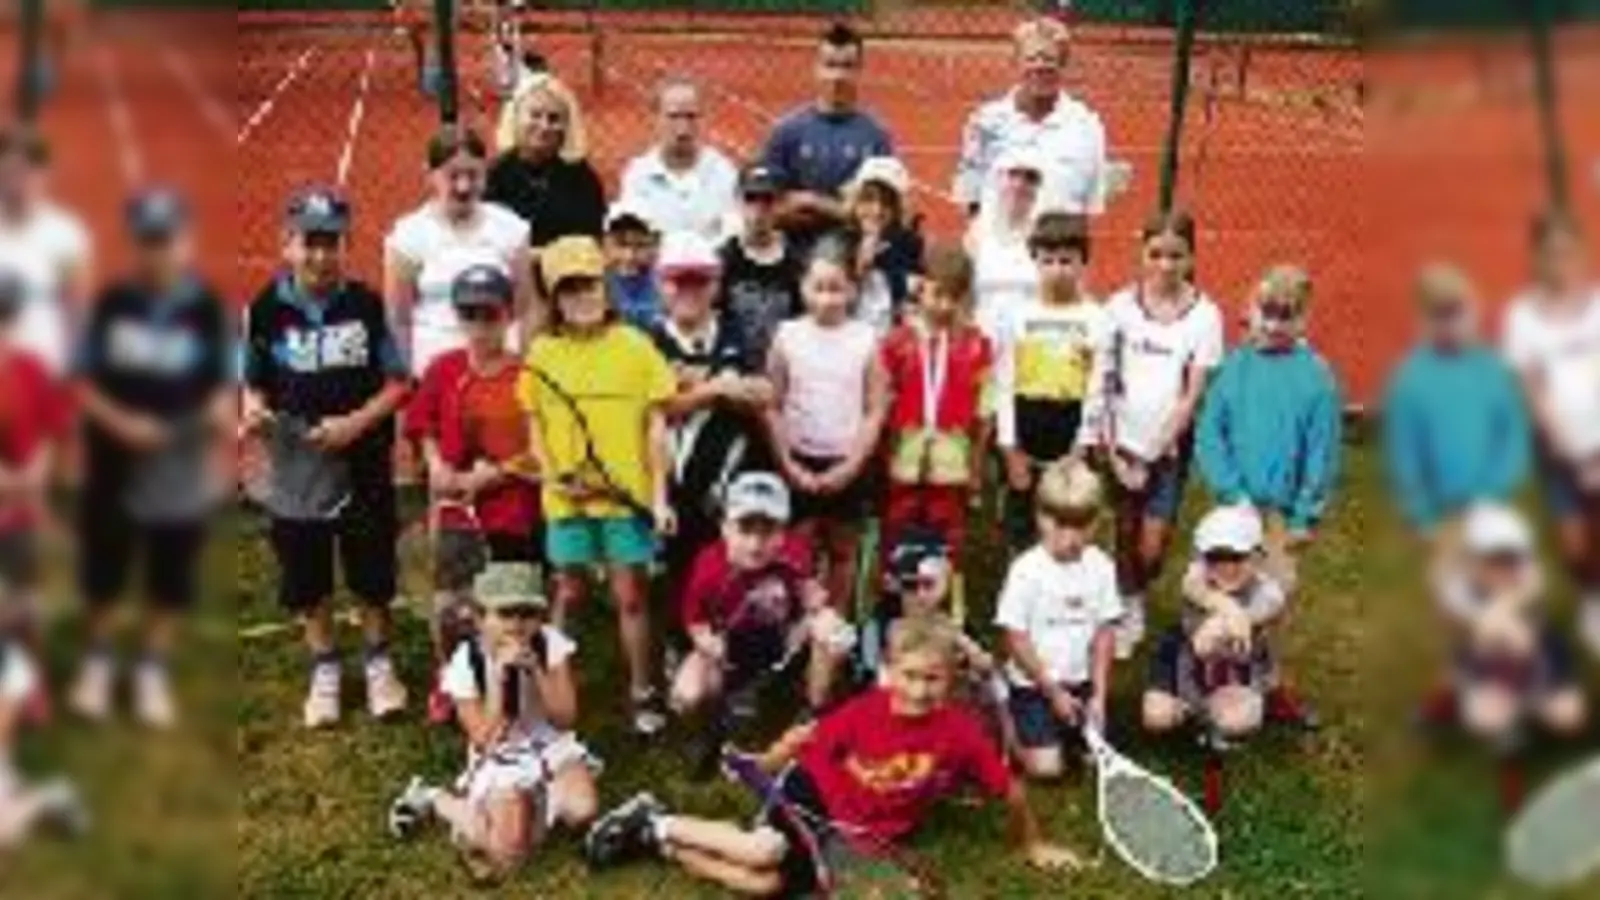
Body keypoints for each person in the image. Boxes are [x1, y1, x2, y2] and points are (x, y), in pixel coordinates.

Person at [584, 618, 1080, 896]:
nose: (919, 690)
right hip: (815, 797)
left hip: (854, 833)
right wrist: (774, 770)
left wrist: (1033, 844)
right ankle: (659, 819)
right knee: (763, 852)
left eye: (933, 679)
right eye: (909, 676)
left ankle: (657, 842)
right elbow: (807, 755)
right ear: (889, 672)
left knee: (767, 887)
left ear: (951, 680)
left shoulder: (959, 733)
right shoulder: (862, 713)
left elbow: (1010, 790)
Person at [242, 187, 412, 729]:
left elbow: (398, 384)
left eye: (331, 243)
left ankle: (379, 662)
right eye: (309, 242)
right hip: (296, 468)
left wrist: (355, 425)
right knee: (306, 571)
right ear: (287, 244)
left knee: (372, 567)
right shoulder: (265, 311)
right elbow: (253, 383)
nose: (320, 255)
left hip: (364, 461)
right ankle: (325, 667)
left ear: (346, 245)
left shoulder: (365, 305)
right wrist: (254, 411)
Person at [68, 189, 231, 729]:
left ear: (184, 241)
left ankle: (151, 668)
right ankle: (97, 661)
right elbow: (81, 381)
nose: (156, 251)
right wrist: (122, 424)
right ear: (135, 244)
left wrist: (209, 424)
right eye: (147, 240)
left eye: (165, 239)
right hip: (113, 465)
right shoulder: (111, 304)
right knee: (104, 571)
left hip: (179, 467)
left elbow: (221, 388)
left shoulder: (207, 312)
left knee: (170, 576)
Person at [516, 236, 676, 736]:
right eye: (569, 289)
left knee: (631, 596)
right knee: (568, 591)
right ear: (554, 299)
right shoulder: (542, 353)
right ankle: (550, 691)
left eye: (589, 284)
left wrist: (659, 498)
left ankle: (643, 692)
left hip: (625, 501)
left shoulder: (636, 347)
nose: (581, 296)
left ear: (605, 288)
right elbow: (535, 426)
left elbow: (655, 428)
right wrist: (553, 475)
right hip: (567, 503)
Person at [388, 563, 598, 883]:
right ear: (480, 617)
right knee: (508, 854)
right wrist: (498, 680)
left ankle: (540, 799)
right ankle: (434, 799)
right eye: (505, 613)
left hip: (547, 743)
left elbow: (565, 718)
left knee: (583, 812)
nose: (516, 624)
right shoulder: (466, 661)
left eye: (527, 613)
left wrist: (537, 673)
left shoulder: (549, 644)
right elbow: (483, 738)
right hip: (500, 753)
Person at [404, 265, 543, 726]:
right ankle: (451, 676)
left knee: (509, 607)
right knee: (450, 606)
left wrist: (491, 477)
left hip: (513, 514)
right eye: (470, 314)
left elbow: (539, 455)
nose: (480, 326)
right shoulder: (443, 368)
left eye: (490, 314)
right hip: (455, 515)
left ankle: (512, 678)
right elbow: (421, 424)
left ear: (508, 316)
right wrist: (436, 465)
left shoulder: (527, 376)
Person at [1088, 209, 1224, 660]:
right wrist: (1113, 451)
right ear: (1142, 253)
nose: (1165, 265)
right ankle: (1127, 606)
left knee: (1152, 547)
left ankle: (1134, 586)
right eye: (1156, 254)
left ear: (1192, 257)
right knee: (1125, 531)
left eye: (1176, 256)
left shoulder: (1205, 317)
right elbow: (1104, 382)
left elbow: (1192, 394)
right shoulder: (1119, 309)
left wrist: (1154, 451)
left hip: (1167, 450)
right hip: (1121, 445)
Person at [670, 473, 854, 768]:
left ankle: (814, 712)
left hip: (782, 639)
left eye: (767, 531)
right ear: (725, 528)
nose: (755, 544)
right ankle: (711, 728)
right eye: (744, 530)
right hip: (730, 645)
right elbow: (695, 621)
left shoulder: (795, 553)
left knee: (832, 629)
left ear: (783, 532)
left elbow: (808, 594)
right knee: (686, 695)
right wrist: (708, 644)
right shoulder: (708, 566)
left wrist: (815, 602)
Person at [1196, 265, 1342, 595]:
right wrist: (1232, 492)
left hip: (1281, 515)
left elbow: (1321, 454)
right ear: (1252, 309)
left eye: (1286, 317)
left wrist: (1304, 517)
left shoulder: (1317, 378)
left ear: (1303, 319)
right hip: (1233, 504)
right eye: (1267, 313)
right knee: (1221, 589)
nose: (1273, 326)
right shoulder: (1236, 366)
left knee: (1271, 593)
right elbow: (1210, 434)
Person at [649, 233, 773, 610]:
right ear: (661, 284)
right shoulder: (650, 341)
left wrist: (695, 389)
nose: (689, 291)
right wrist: (716, 388)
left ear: (716, 285)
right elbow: (655, 408)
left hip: (730, 484)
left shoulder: (734, 332)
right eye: (678, 281)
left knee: (731, 581)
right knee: (677, 584)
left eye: (699, 281)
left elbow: (762, 393)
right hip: (674, 486)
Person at [768, 238, 889, 615]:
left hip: (846, 461)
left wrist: (851, 466)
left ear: (852, 290)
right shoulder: (787, 335)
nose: (826, 299)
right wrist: (788, 464)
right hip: (798, 459)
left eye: (836, 289)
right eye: (817, 288)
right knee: (796, 550)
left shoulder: (866, 339)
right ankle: (797, 623)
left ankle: (835, 623)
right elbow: (771, 405)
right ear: (802, 287)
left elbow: (875, 408)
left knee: (842, 550)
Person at [1501, 211, 1600, 657]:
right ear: (1539, 257)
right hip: (1559, 450)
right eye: (1552, 252)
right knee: (1574, 543)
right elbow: (1530, 386)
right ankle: (1589, 598)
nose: (1561, 261)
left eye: (1568, 251)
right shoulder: (1523, 317)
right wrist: (1564, 444)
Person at [1384, 262, 1530, 555]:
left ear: (1473, 310)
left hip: (1490, 505)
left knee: (1504, 567)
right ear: (1424, 319)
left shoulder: (1491, 370)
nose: (1449, 323)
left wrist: (1489, 494)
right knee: (1454, 574)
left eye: (1456, 311)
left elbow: (1513, 437)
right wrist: (1422, 515)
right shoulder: (1411, 379)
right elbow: (1405, 455)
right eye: (1439, 314)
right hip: (1438, 513)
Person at [878, 245, 991, 620]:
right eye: (937, 294)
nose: (944, 306)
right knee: (896, 539)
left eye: (954, 298)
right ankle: (894, 614)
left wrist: (975, 468)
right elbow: (880, 404)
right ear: (920, 288)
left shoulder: (976, 345)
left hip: (951, 467)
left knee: (948, 544)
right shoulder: (896, 343)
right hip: (903, 463)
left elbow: (984, 414)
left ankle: (947, 618)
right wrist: (881, 456)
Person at [995, 458, 1119, 780]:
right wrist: (1052, 691)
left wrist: (1099, 696)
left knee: (1094, 759)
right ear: (1040, 517)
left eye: (1080, 526)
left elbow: (1104, 633)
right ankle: (1005, 712)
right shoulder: (1026, 570)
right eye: (1059, 524)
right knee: (1046, 769)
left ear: (1096, 522)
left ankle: (1070, 733)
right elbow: (1015, 638)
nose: (1070, 537)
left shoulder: (1102, 567)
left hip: (1081, 684)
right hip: (1035, 684)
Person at [1428, 504, 1587, 747]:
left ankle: (1535, 715)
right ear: (1473, 562)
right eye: (1494, 561)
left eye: (1511, 560)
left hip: (1537, 667)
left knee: (1570, 716)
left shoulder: (1528, 581)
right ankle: (1511, 734)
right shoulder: (1461, 594)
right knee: (1485, 717)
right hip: (1491, 672)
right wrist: (1495, 624)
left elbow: (1533, 592)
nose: (1504, 569)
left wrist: (1504, 609)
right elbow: (1450, 595)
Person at [384, 126, 536, 379]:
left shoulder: (511, 229)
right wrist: (408, 376)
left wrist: (520, 365)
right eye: (452, 176)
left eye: (473, 175)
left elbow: (524, 310)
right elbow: (399, 319)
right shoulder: (408, 236)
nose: (463, 186)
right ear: (430, 175)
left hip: (498, 373)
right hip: (433, 374)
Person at [994, 211, 1104, 553]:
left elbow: (1097, 387)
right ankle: (1021, 577)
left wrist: (1081, 446)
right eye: (1048, 260)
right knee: (1022, 526)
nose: (1057, 270)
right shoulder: (1016, 316)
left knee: (1067, 521)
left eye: (1067, 261)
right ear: (1035, 261)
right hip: (1026, 423)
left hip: (1070, 426)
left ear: (1083, 262)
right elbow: (1004, 382)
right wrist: (1010, 448)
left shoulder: (1095, 318)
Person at [1143, 504, 1291, 745]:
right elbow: (1192, 588)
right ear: (1202, 558)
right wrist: (1227, 608)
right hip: (1186, 659)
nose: (1227, 567)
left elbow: (1269, 606)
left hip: (1237, 668)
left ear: (1257, 557)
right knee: (1156, 716)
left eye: (1237, 557)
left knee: (1236, 720)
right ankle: (1191, 714)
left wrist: (1222, 624)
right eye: (1216, 557)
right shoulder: (1196, 577)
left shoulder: (1267, 593)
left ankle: (1216, 720)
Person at [953, 18, 1111, 221]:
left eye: (1049, 59)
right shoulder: (985, 122)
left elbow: (1089, 203)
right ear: (1015, 63)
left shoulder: (1086, 125)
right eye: (1031, 58)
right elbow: (970, 194)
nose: (1039, 66)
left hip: (1060, 237)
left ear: (1063, 64)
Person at [760, 22, 895, 250]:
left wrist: (812, 201)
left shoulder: (875, 137)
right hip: (791, 251)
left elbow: (879, 217)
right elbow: (767, 208)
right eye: (830, 65)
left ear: (859, 71)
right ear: (816, 68)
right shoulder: (787, 132)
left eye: (847, 66)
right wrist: (842, 210)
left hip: (852, 252)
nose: (837, 76)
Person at [0, 270, 62, 721]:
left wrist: (36, 472)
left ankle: (31, 681)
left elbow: (49, 429)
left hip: (21, 511)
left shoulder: (30, 368)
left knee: (25, 601)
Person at [0, 125, 91, 379]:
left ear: (45, 174)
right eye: (10, 171)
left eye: (28, 171)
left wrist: (72, 364)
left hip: (45, 366)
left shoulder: (66, 233)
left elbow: (77, 305)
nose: (19, 181)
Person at [488, 73, 606, 251]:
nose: (544, 126)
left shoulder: (582, 179)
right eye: (535, 115)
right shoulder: (495, 175)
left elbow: (590, 239)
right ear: (515, 118)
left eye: (554, 119)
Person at [617, 77, 740, 242]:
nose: (683, 127)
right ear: (655, 119)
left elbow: (732, 236)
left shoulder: (723, 173)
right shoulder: (638, 176)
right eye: (673, 117)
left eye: (691, 116)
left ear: (704, 118)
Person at [0, 634, 86, 848]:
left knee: (4, 830)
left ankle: (53, 795)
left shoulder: (10, 664)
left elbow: (3, 727)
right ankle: (15, 789)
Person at [717, 165, 804, 374]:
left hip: (785, 369)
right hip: (733, 369)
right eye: (751, 199)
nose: (759, 209)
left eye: (768, 200)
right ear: (738, 202)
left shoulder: (797, 263)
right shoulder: (722, 259)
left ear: (780, 204)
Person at [966, 146, 1046, 343]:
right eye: (1013, 174)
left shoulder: (1047, 238)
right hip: (983, 345)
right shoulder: (975, 236)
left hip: (1032, 346)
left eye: (1030, 178)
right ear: (998, 178)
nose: (1019, 184)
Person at [842, 156, 924, 334]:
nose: (877, 210)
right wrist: (860, 265)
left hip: (891, 337)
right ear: (855, 200)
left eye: (887, 203)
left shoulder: (909, 244)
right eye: (868, 199)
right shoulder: (840, 241)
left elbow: (913, 295)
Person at [602, 202, 662, 332]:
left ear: (656, 245)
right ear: (605, 243)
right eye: (621, 244)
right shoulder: (594, 285)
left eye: (640, 245)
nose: (629, 256)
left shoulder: (668, 286)